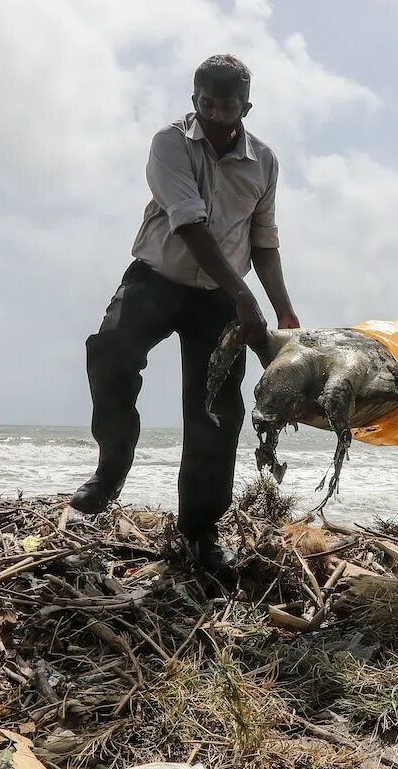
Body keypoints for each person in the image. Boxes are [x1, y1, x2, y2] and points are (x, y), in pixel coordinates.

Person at [71, 55, 300, 575]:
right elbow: (190, 225)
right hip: (158, 278)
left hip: (218, 301)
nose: (218, 114)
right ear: (194, 100)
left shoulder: (263, 161)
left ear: (247, 106)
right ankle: (111, 470)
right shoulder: (169, 143)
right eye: (207, 103)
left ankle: (200, 532)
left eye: (229, 105)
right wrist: (245, 297)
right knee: (110, 351)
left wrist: (283, 310)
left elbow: (263, 242)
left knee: (215, 415)